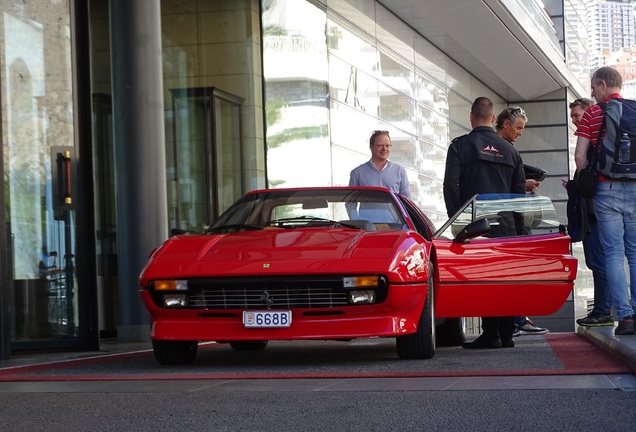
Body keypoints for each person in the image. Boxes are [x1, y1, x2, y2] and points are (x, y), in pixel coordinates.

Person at [443, 97, 526, 349]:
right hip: (507, 226)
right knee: (506, 278)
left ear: (471, 117)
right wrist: (519, 231)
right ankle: (507, 334)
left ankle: (490, 334)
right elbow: (519, 195)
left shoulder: (460, 147)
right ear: (493, 119)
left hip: (476, 225)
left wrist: (458, 220)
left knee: (484, 278)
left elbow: (450, 186)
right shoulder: (510, 150)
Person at [574, 67, 636, 336]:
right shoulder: (634, 110)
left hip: (605, 189)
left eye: (593, 87)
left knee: (613, 254)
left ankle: (625, 317)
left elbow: (579, 157)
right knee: (634, 253)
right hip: (635, 189)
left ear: (602, 84)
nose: (591, 93)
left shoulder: (594, 112)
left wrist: (587, 175)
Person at [494, 106, 550, 336]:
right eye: (518, 127)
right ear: (505, 123)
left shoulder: (504, 149)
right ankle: (514, 321)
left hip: (503, 218)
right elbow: (501, 186)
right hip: (505, 220)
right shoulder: (502, 150)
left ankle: (514, 320)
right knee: (510, 273)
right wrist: (522, 185)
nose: (520, 132)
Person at [565, 98, 613, 327]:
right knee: (602, 261)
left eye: (577, 115)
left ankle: (603, 310)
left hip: (594, 213)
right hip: (595, 211)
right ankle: (606, 308)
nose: (575, 120)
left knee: (598, 261)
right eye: (572, 116)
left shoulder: (591, 146)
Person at [349, 130, 411, 197]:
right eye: (380, 145)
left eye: (387, 145)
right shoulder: (357, 173)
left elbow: (406, 200)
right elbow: (351, 203)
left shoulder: (400, 171)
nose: (384, 149)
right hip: (367, 208)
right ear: (371, 147)